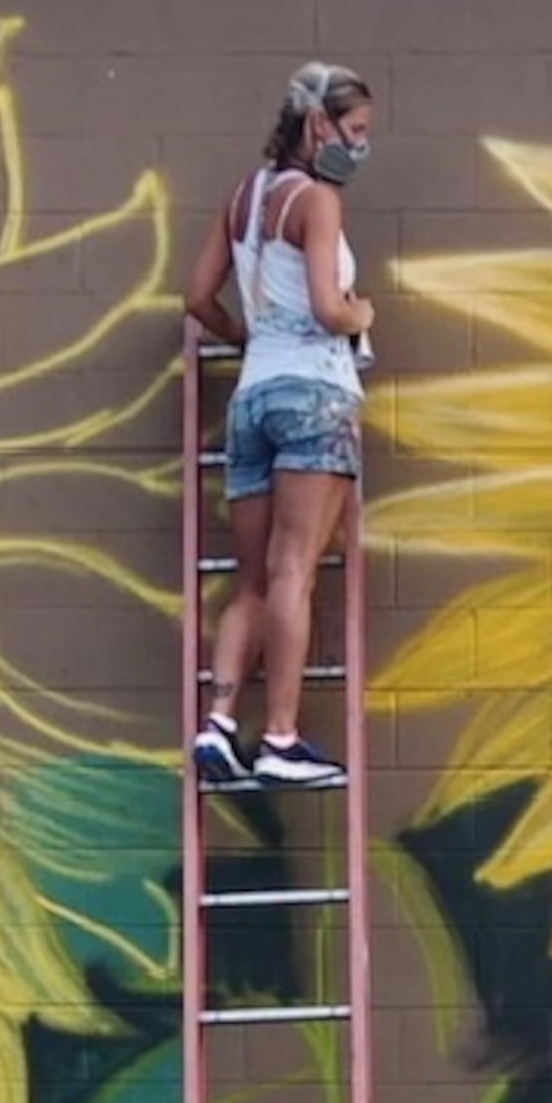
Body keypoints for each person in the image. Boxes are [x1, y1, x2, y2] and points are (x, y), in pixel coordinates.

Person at [183, 59, 376, 789]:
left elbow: (198, 296)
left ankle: (220, 725)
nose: (358, 147)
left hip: (253, 397)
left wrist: (247, 338)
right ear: (318, 123)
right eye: (354, 131)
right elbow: (330, 307)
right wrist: (361, 314)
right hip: (314, 393)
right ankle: (282, 740)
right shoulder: (317, 201)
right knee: (295, 571)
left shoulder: (241, 198)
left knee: (254, 581)